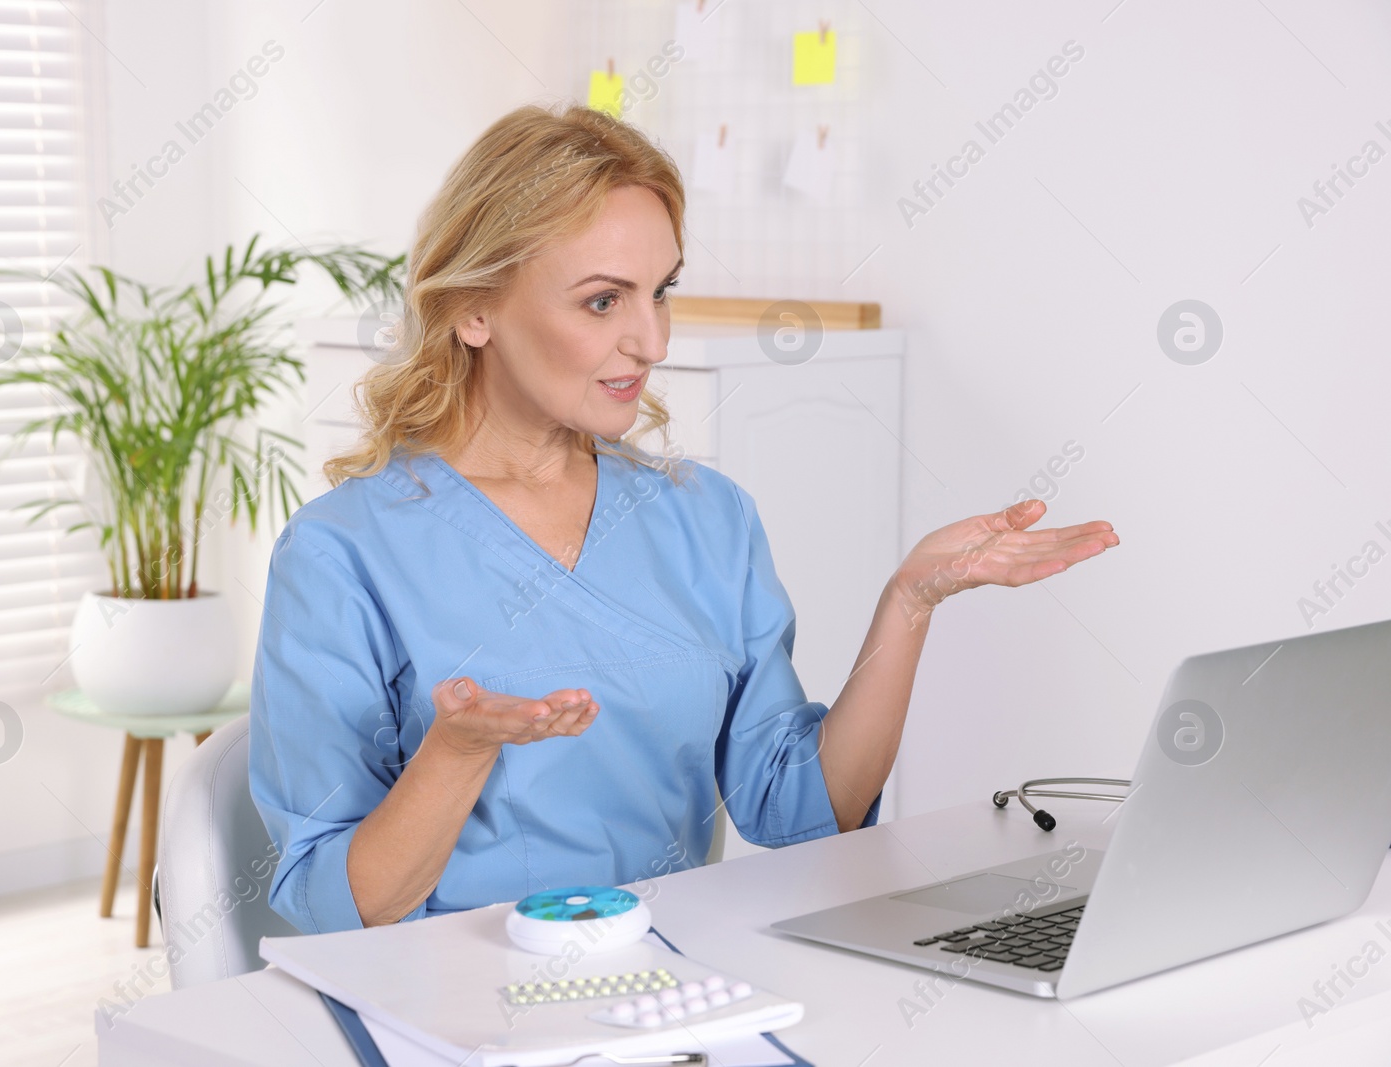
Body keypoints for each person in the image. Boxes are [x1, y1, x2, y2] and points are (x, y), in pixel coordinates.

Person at [248, 102, 1119, 934]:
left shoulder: (707, 519)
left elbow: (800, 810)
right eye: (602, 301)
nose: (652, 341)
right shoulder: (340, 554)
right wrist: (458, 752)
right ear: (474, 308)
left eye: (659, 291)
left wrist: (909, 602)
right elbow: (338, 905)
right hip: (452, 1012)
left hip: (674, 993)